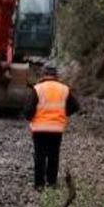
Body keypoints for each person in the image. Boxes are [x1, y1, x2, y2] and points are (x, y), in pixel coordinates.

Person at [23, 61, 81, 190]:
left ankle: (39, 184)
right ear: (56, 75)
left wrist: (31, 118)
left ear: (44, 74)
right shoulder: (64, 89)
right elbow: (75, 106)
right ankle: (52, 183)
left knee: (40, 155)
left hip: (39, 129)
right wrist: (63, 114)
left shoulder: (37, 89)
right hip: (56, 129)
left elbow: (28, 110)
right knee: (54, 155)